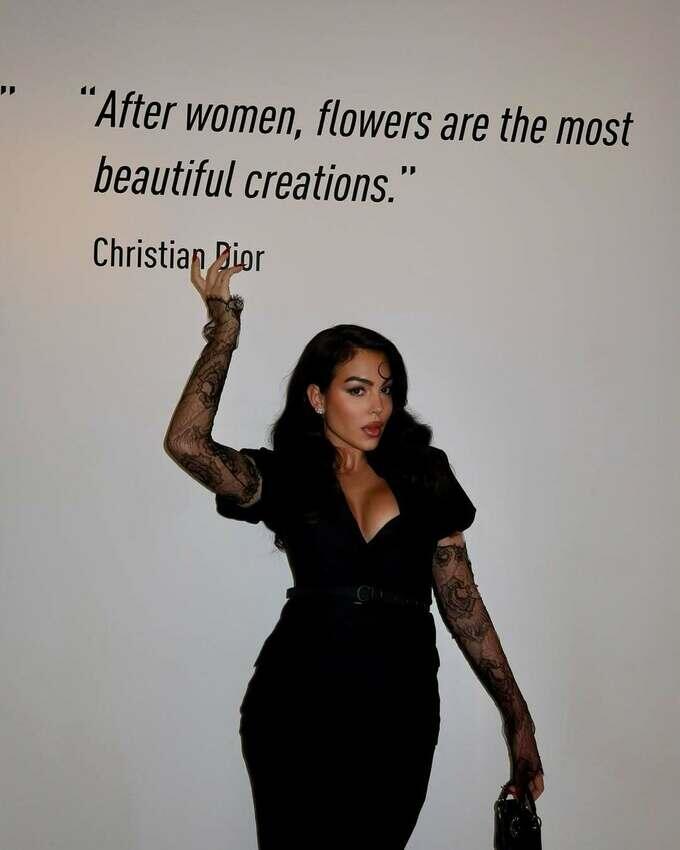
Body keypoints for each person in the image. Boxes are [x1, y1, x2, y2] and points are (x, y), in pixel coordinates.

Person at [164, 245, 545, 849]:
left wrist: (517, 717)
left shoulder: (425, 473)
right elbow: (188, 444)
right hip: (296, 699)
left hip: (400, 705)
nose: (378, 407)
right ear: (318, 397)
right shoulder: (285, 476)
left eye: (386, 390)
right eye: (359, 389)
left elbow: (463, 604)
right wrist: (224, 332)